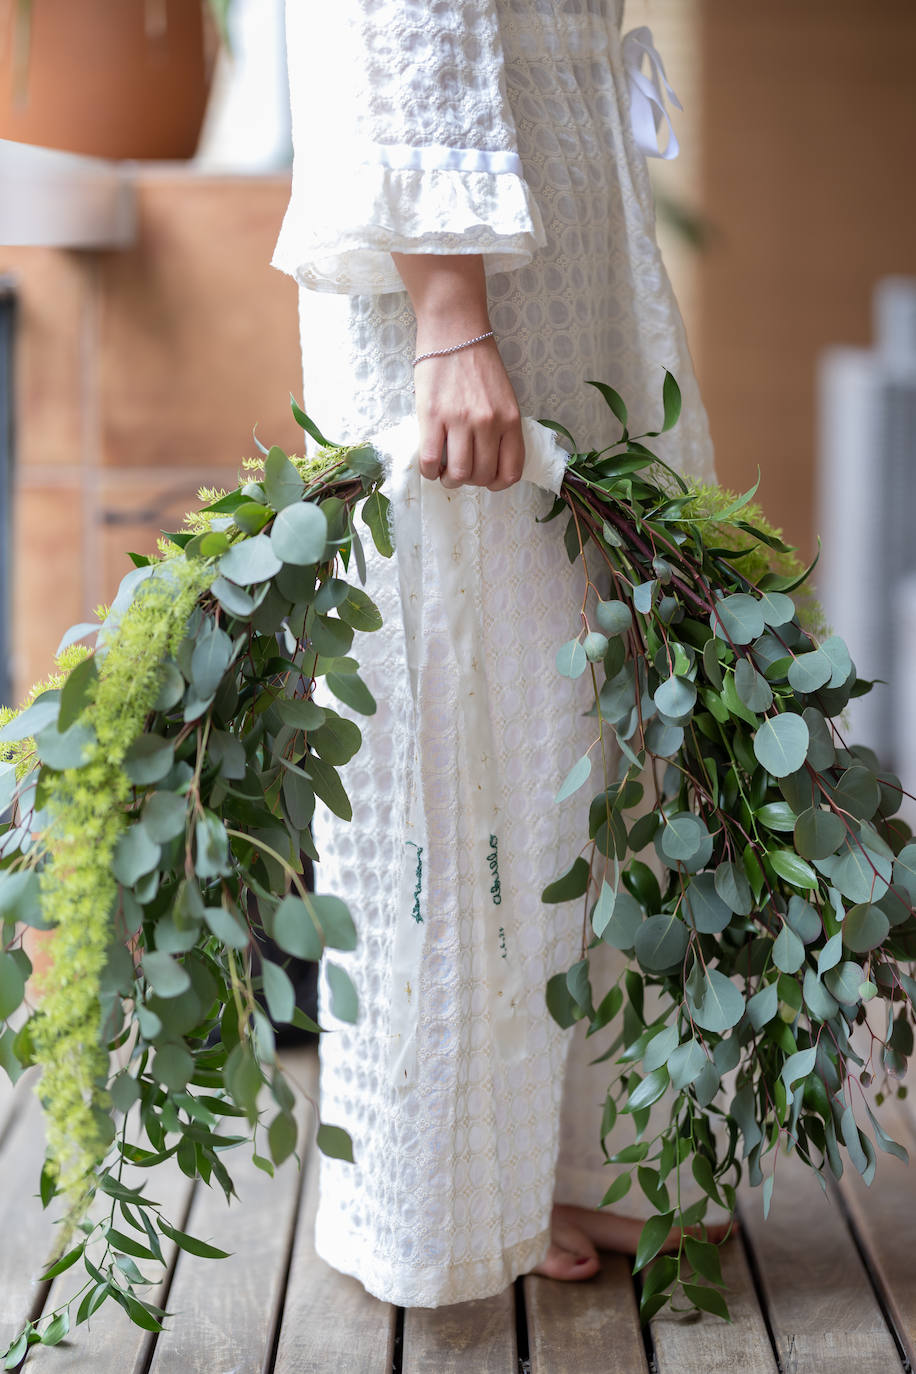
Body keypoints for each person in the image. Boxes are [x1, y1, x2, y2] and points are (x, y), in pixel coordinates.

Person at [271, 0, 728, 1305]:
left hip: (557, 209)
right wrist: (448, 313)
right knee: (470, 697)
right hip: (476, 263)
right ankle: (452, 1186)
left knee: (591, 695)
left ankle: (572, 1150)